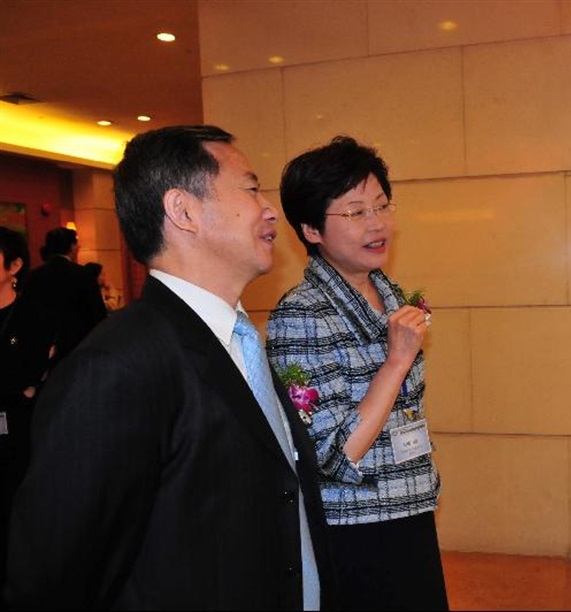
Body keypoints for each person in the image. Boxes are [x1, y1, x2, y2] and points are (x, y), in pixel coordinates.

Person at [5, 125, 336, 609]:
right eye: (250, 187)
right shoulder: (117, 367)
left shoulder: (238, 340)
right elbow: (54, 576)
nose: (269, 208)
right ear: (183, 211)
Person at [267, 135, 447, 610]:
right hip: (356, 528)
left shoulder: (390, 293)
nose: (377, 223)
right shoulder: (299, 316)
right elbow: (334, 453)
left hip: (411, 505)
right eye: (355, 212)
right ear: (311, 229)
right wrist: (395, 361)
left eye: (382, 206)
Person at [0, 227, 56, 604]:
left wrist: (19, 389)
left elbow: (31, 376)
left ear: (14, 266)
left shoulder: (32, 316)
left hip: (19, 438)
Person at [19, 226, 106, 366]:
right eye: (76, 243)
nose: (79, 247)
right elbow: (97, 316)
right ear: (71, 247)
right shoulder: (83, 275)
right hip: (78, 349)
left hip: (43, 350)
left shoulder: (34, 276)